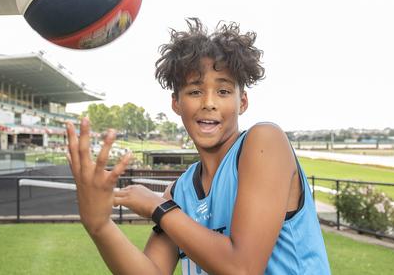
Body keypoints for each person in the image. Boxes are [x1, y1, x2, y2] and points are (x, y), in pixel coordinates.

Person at [65, 18, 330, 274]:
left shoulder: (266, 142)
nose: (209, 102)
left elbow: (243, 268)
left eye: (224, 91)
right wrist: (99, 225)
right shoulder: (180, 192)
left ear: (243, 102)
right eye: (195, 91)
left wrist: (158, 208)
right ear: (176, 103)